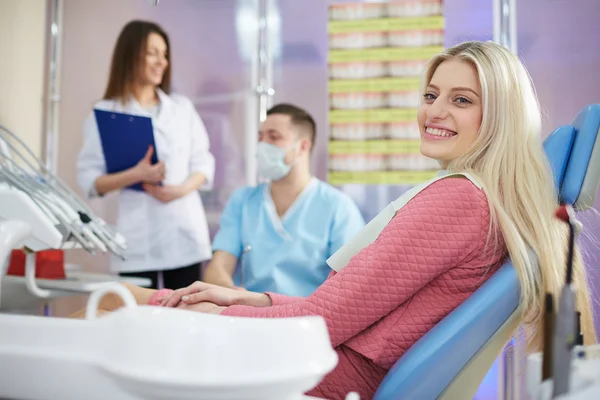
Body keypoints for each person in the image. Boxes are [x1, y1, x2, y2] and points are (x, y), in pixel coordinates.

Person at [77, 41, 596, 400]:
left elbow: (325, 323)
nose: (434, 111)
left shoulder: (459, 202)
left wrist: (175, 306)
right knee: (140, 306)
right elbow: (343, 310)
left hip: (324, 370)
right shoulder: (484, 202)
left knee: (113, 309)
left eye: (462, 100)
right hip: (330, 356)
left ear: (499, 117)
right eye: (431, 94)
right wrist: (250, 298)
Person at [76, 20, 215, 290]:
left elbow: (204, 162)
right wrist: (136, 175)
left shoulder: (181, 109)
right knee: (138, 317)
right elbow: (90, 181)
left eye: (164, 54)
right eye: (152, 53)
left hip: (183, 233)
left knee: (186, 314)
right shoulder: (105, 112)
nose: (161, 62)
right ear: (131, 54)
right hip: (137, 239)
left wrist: (180, 189)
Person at [202, 103, 365, 296]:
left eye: (273, 137)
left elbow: (350, 283)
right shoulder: (243, 201)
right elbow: (218, 268)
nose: (263, 146)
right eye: (260, 137)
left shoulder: (337, 207)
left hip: (309, 318)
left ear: (302, 146)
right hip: (248, 313)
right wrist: (236, 296)